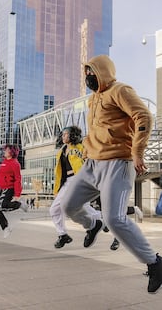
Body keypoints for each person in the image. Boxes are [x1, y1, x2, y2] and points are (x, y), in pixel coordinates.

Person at [61, 54, 162, 293]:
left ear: (103, 72)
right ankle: (92, 223)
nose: (88, 77)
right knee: (68, 206)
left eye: (92, 73)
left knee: (115, 220)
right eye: (85, 73)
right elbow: (96, 129)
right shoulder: (93, 99)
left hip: (117, 163)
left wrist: (137, 152)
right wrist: (87, 148)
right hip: (92, 164)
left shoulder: (120, 90)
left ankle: (155, 263)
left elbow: (144, 116)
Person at [50, 126, 102, 248]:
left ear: (72, 135)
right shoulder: (61, 151)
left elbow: (92, 160)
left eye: (66, 134)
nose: (63, 136)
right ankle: (63, 235)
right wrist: (57, 189)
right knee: (56, 209)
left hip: (79, 179)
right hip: (67, 182)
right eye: (62, 134)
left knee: (77, 207)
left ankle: (98, 224)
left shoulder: (81, 147)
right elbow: (59, 173)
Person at [0, 144, 28, 238]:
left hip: (9, 188)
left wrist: (17, 194)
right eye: (5, 150)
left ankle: (19, 204)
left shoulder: (15, 164)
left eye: (6, 150)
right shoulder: (5, 161)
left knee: (2, 205)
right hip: (3, 189)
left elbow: (18, 179)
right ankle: (6, 228)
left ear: (12, 152)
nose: (4, 152)